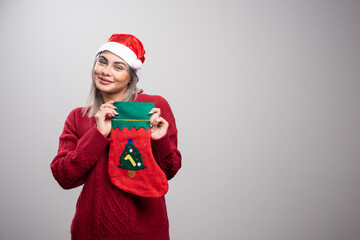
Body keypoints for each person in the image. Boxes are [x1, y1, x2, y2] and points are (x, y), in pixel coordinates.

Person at [50, 34, 181, 240]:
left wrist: (159, 139)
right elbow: (64, 177)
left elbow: (169, 171)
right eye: (102, 62)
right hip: (91, 231)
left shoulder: (153, 108)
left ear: (132, 76)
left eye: (118, 67)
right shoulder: (78, 118)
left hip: (145, 231)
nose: (105, 71)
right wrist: (98, 134)